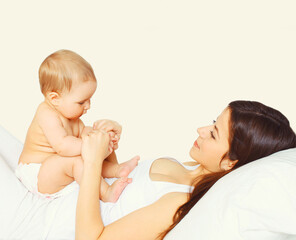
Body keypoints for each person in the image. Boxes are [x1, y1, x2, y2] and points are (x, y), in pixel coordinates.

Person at [75, 100, 296, 240]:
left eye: (213, 133)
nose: (201, 130)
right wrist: (108, 147)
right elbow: (117, 201)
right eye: (212, 122)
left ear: (230, 163)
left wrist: (93, 162)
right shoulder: (192, 166)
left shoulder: (180, 203)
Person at [15, 49, 139, 202]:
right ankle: (106, 193)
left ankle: (116, 169)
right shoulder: (46, 113)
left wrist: (103, 134)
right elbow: (63, 146)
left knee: (93, 138)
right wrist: (94, 144)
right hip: (38, 174)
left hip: (57, 167)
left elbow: (84, 138)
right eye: (81, 102)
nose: (88, 106)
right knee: (78, 159)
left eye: (89, 99)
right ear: (55, 98)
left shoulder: (72, 117)